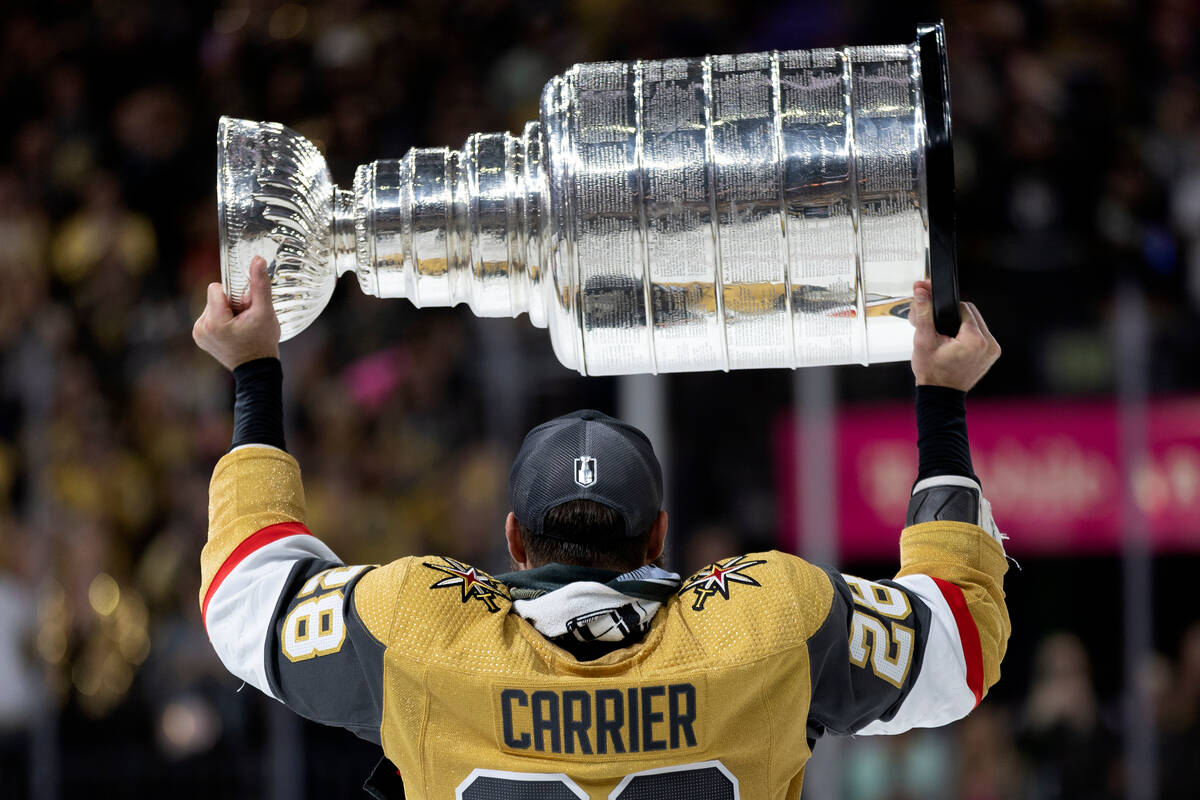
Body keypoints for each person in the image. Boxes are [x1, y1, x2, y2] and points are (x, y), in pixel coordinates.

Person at [193, 256, 1008, 799]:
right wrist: (941, 401)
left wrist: (254, 374)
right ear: (658, 537)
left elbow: (246, 596)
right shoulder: (769, 624)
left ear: (515, 538)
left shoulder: (420, 630)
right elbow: (961, 640)